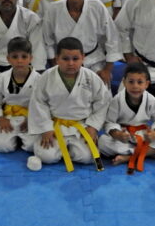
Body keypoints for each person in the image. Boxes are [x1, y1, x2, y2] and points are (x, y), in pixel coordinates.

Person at [28, 37, 111, 171]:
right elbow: (38, 103)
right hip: (55, 125)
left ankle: (65, 150)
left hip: (81, 126)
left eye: (75, 59)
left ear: (83, 58)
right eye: (65, 59)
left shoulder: (91, 77)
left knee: (87, 157)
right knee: (46, 156)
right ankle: (59, 150)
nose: (71, 63)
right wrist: (45, 128)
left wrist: (93, 126)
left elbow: (102, 103)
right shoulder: (46, 77)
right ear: (57, 59)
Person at [42, 0, 122, 86]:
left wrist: (107, 70)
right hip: (64, 62)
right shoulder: (53, 9)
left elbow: (112, 38)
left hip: (94, 61)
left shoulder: (96, 6)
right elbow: (47, 41)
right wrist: (56, 65)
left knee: (102, 91)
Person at [98, 62, 155, 171]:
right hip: (124, 136)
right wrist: (118, 134)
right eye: (131, 82)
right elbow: (109, 122)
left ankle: (128, 157)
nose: (135, 86)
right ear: (124, 82)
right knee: (102, 142)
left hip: (143, 135)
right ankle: (149, 153)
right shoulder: (117, 100)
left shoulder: (151, 100)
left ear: (147, 84)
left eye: (140, 82)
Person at [0, 37, 41, 153]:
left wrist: (31, 119)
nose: (19, 61)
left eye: (24, 57)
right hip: (8, 117)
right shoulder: (1, 78)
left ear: (31, 58)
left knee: (33, 146)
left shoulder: (39, 80)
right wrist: (0, 118)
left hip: (30, 117)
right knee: (0, 145)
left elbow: (43, 104)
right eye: (15, 57)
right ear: (8, 59)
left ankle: (21, 139)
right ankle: (13, 139)